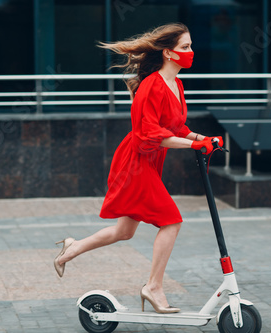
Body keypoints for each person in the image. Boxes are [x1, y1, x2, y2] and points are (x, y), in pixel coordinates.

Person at [54, 23, 224, 314]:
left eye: (191, 46)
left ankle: (71, 247)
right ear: (169, 53)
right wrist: (193, 145)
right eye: (185, 47)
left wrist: (202, 138)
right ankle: (153, 287)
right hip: (136, 162)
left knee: (124, 231)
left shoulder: (177, 84)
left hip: (149, 160)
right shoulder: (151, 86)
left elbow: (175, 127)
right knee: (171, 221)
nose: (191, 52)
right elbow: (148, 135)